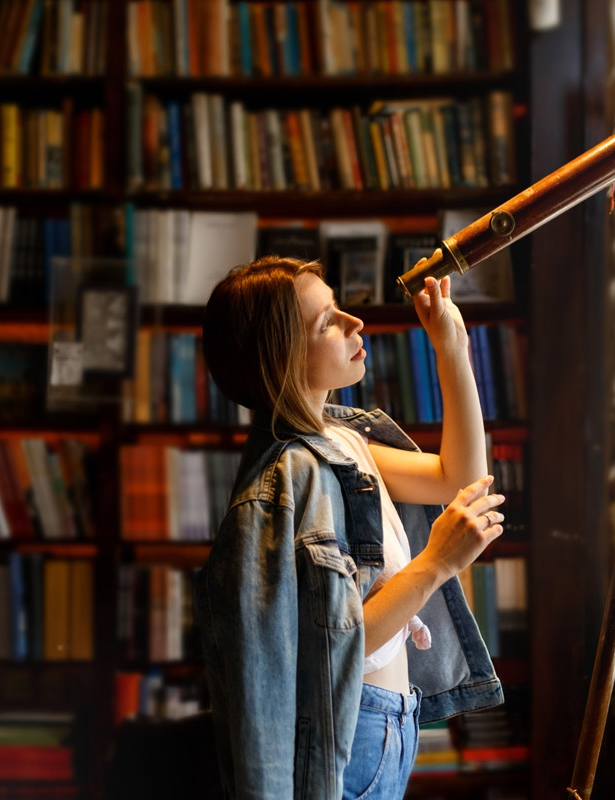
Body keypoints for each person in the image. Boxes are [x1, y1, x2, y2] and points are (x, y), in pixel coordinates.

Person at [195, 253, 506, 800]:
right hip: (354, 733)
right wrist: (435, 564)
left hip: (390, 720)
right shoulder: (283, 483)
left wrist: (451, 350)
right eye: (328, 323)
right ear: (284, 358)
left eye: (338, 306)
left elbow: (460, 477)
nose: (355, 323)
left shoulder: (343, 442)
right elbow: (337, 646)